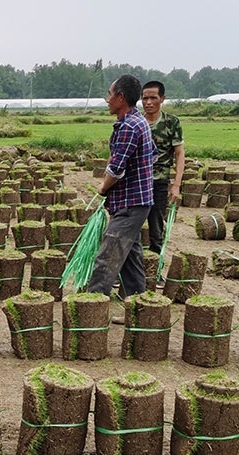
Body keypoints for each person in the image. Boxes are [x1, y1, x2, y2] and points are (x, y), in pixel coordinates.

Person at [88, 74, 157, 299]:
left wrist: (102, 188)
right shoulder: (137, 122)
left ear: (120, 97)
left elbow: (116, 169)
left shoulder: (130, 125)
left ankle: (91, 305)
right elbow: (151, 154)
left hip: (131, 203)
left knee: (107, 257)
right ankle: (139, 307)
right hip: (134, 201)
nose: (107, 99)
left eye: (109, 94)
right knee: (130, 258)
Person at [142, 80, 185, 254]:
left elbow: (179, 154)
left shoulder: (171, 123)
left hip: (159, 182)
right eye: (145, 98)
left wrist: (176, 185)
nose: (148, 102)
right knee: (130, 227)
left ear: (162, 99)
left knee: (156, 226)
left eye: (153, 98)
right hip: (136, 183)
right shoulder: (136, 122)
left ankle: (154, 269)